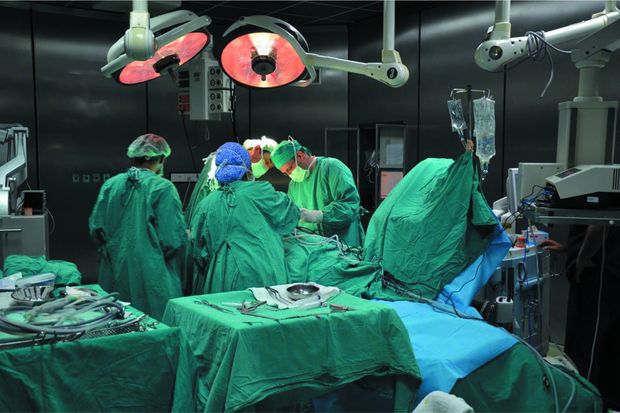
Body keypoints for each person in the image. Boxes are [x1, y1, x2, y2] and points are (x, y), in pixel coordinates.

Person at [89, 133, 186, 320]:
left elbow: (96, 228)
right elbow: (172, 239)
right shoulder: (163, 188)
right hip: (151, 277)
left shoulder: (111, 185)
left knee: (116, 325)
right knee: (154, 328)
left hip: (114, 273)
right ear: (161, 158)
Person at [190, 142, 299, 294]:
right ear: (247, 169)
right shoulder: (261, 191)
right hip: (265, 275)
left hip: (222, 283)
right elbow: (290, 213)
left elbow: (199, 253)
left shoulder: (206, 205)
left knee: (228, 309)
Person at [540, 225, 620, 410]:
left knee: (587, 349)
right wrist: (570, 246)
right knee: (607, 350)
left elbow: (599, 224)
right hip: (604, 267)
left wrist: (582, 258)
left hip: (598, 271)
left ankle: (584, 404)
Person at [271, 139, 365, 247]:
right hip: (313, 247)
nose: (290, 174)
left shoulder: (332, 167)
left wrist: (318, 216)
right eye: (286, 173)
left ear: (300, 155)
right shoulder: (294, 184)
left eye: (290, 168)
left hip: (342, 246)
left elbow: (350, 205)